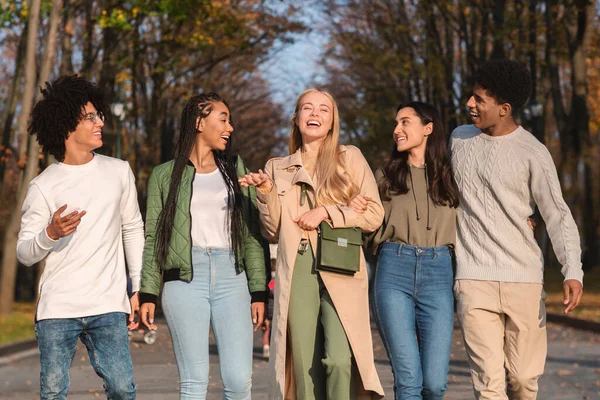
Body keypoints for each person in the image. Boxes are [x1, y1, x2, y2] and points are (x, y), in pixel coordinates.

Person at [450, 59, 584, 399]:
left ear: (504, 108)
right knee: (489, 385)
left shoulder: (532, 153)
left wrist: (573, 270)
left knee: (524, 381)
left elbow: (556, 213)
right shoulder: (458, 140)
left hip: (523, 278)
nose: (470, 104)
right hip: (473, 277)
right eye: (472, 96)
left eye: (480, 99)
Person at [239, 88, 385, 400]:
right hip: (298, 266)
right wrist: (265, 191)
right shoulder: (279, 166)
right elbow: (273, 230)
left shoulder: (351, 158)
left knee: (338, 361)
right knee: (303, 361)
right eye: (307, 108)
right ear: (296, 119)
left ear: (333, 123)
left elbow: (374, 215)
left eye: (323, 110)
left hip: (342, 265)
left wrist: (327, 212)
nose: (314, 114)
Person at [16, 75, 143, 400]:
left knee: (121, 388)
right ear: (67, 125)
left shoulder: (119, 171)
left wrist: (138, 285)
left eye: (99, 115)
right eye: (91, 117)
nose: (100, 121)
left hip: (108, 304)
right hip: (58, 307)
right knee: (54, 390)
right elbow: (25, 253)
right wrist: (50, 233)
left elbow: (131, 228)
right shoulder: (44, 186)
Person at [138, 93, 268, 400]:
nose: (230, 127)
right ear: (199, 122)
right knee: (194, 382)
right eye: (222, 119)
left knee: (238, 382)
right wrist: (147, 292)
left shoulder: (236, 169)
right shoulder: (163, 175)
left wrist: (259, 289)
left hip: (232, 278)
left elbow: (251, 233)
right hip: (183, 281)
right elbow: (154, 236)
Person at [367, 102, 459, 399]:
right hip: (394, 270)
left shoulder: (452, 176)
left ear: (428, 128)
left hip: (440, 272)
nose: (397, 130)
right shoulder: (384, 175)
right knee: (408, 381)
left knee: (434, 383)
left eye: (405, 122)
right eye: (396, 124)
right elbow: (368, 230)